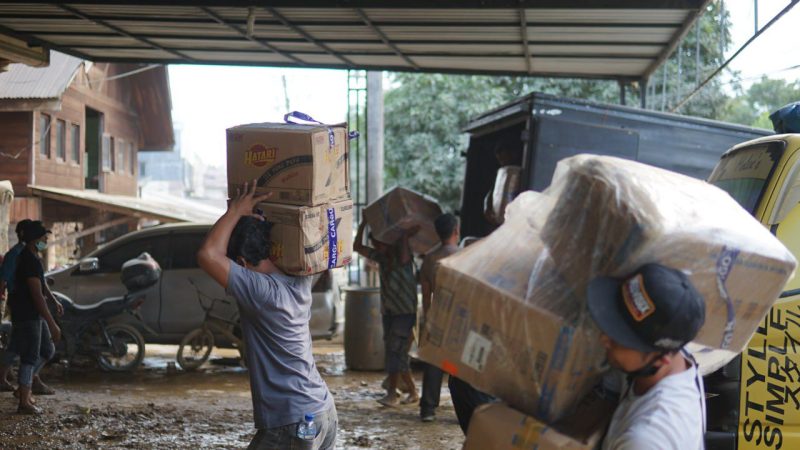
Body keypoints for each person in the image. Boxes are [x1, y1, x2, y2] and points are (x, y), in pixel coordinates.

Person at [197, 181, 337, 450]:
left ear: (241, 263)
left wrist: (236, 210)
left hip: (293, 421)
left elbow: (207, 254)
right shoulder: (300, 279)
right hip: (323, 412)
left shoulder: (260, 291)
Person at [586, 263, 707, 450]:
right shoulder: (671, 360)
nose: (605, 339)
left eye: (620, 338)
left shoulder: (647, 440)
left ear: (662, 358)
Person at [354, 213, 420, 407]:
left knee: (395, 354)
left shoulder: (403, 259)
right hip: (390, 313)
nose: (375, 245)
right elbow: (357, 247)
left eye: (377, 241)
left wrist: (404, 234)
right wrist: (364, 223)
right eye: (374, 241)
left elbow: (404, 239)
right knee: (395, 354)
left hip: (404, 314)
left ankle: (394, 393)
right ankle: (411, 391)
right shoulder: (383, 259)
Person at [7, 220, 62, 414]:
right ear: (34, 239)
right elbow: (36, 295)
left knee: (47, 350)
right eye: (43, 239)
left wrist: (53, 300)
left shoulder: (33, 256)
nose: (45, 241)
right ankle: (24, 402)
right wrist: (52, 322)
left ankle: (24, 389)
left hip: (32, 314)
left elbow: (42, 284)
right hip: (28, 314)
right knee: (29, 357)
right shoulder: (27, 261)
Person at [418, 213, 460, 422]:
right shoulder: (464, 256)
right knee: (460, 366)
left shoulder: (429, 258)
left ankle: (428, 409)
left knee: (434, 364)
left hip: (437, 316)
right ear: (456, 231)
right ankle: (463, 407)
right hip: (460, 320)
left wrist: (428, 320)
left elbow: (426, 295)